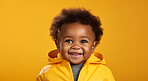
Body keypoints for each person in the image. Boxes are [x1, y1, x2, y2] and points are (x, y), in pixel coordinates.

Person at [36, 8, 115, 81]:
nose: (76, 46)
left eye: (83, 41)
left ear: (93, 46)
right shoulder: (47, 73)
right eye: (69, 41)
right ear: (58, 44)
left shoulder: (104, 73)